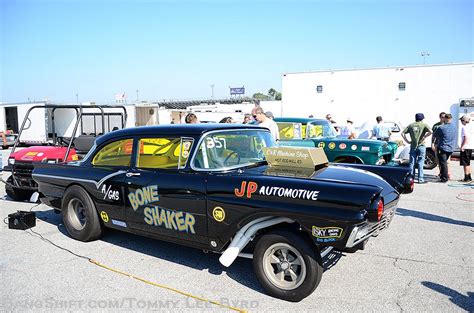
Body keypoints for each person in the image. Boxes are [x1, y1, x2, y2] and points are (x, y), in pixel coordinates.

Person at [401, 113, 432, 184]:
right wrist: (424, 137)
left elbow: (402, 133)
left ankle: (411, 178)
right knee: (421, 162)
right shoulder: (424, 125)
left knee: (412, 163)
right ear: (422, 118)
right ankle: (420, 179)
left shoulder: (411, 125)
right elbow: (431, 131)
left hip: (413, 146)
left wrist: (407, 141)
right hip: (421, 146)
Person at [433, 114, 457, 183]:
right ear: (451, 119)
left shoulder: (441, 127)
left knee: (443, 163)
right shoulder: (454, 127)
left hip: (443, 147)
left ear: (445, 119)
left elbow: (435, 135)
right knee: (446, 163)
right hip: (451, 148)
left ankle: (444, 178)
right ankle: (445, 175)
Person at [459, 114, 473, 182]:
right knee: (468, 163)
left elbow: (465, 138)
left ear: (464, 121)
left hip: (466, 147)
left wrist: (462, 146)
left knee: (465, 164)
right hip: (470, 146)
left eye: (461, 120)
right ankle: (469, 177)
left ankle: (466, 177)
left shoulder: (464, 127)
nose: (461, 122)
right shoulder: (471, 126)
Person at [431, 112, 446, 176]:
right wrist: (432, 143)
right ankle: (441, 172)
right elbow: (433, 135)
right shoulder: (436, 125)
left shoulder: (447, 125)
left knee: (446, 161)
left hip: (445, 144)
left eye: (445, 117)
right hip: (437, 144)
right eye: (442, 117)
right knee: (438, 160)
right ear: (440, 117)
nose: (444, 118)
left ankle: (446, 173)